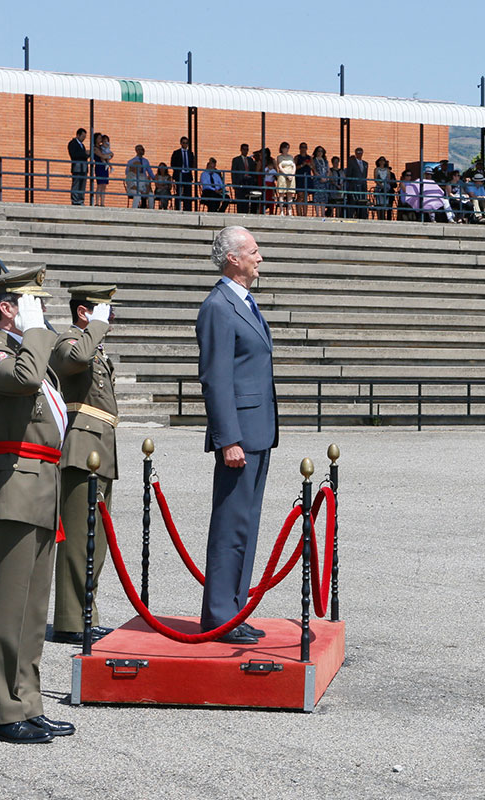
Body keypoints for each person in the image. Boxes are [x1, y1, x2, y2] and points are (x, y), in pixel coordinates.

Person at [0, 266, 74, 744]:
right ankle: (1, 711)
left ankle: (28, 703)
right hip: (10, 489)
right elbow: (26, 379)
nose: (42, 311)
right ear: (8, 308)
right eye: (33, 303)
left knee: (32, 610)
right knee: (5, 607)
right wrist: (33, 331)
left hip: (42, 487)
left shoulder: (30, 353)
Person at [196, 227, 279, 642]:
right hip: (240, 436)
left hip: (257, 430)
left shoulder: (244, 301)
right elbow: (215, 379)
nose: (259, 258)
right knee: (231, 525)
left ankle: (234, 610)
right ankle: (218, 615)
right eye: (253, 251)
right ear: (233, 258)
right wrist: (228, 438)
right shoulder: (218, 306)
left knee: (245, 523)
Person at [50, 284, 119, 646]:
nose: (112, 316)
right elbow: (75, 360)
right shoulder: (68, 340)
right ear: (83, 313)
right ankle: (70, 620)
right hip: (81, 451)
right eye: (105, 310)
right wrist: (97, 326)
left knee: (97, 541)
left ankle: (85, 614)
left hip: (99, 450)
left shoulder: (94, 346)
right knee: (78, 540)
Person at [171, 136, 196, 211]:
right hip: (180, 174)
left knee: (188, 193)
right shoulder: (176, 153)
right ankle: (178, 208)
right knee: (179, 192)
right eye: (184, 143)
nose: (185, 144)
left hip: (187, 174)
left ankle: (187, 208)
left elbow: (193, 164)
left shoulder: (190, 153)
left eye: (186, 143)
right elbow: (173, 164)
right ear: (181, 143)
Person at [231, 144, 257, 215]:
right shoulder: (236, 160)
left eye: (247, 150)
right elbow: (233, 172)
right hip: (240, 182)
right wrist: (234, 183)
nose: (245, 151)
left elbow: (253, 171)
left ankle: (246, 213)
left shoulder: (250, 160)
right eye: (244, 149)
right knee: (240, 200)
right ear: (241, 150)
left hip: (248, 182)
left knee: (247, 200)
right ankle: (240, 214)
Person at [344, 147, 368, 218]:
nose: (359, 154)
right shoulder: (352, 163)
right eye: (358, 152)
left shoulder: (365, 163)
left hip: (362, 186)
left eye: (360, 152)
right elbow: (349, 174)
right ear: (355, 153)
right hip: (354, 185)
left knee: (362, 202)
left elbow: (365, 175)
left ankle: (362, 217)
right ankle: (351, 216)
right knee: (353, 202)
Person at [274, 142, 296, 217]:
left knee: (290, 193)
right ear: (282, 148)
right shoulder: (279, 157)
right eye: (285, 147)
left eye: (288, 147)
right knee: (281, 194)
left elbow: (294, 166)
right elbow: (280, 166)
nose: (287, 149)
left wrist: (292, 174)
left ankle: (289, 211)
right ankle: (281, 211)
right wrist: (287, 175)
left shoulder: (291, 157)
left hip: (291, 177)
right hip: (283, 176)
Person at [68, 128, 89, 206]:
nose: (83, 138)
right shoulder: (72, 143)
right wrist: (85, 154)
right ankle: (75, 200)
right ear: (78, 135)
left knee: (82, 184)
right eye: (83, 136)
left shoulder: (82, 145)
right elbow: (74, 155)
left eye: (84, 137)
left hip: (83, 167)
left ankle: (81, 200)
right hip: (77, 167)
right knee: (76, 184)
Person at [92, 134, 113, 206]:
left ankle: (102, 203)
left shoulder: (102, 147)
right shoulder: (95, 148)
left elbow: (108, 155)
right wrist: (109, 154)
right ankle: (97, 202)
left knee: (104, 185)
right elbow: (102, 156)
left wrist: (109, 155)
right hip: (99, 166)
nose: (101, 140)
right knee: (99, 185)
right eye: (99, 138)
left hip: (104, 167)